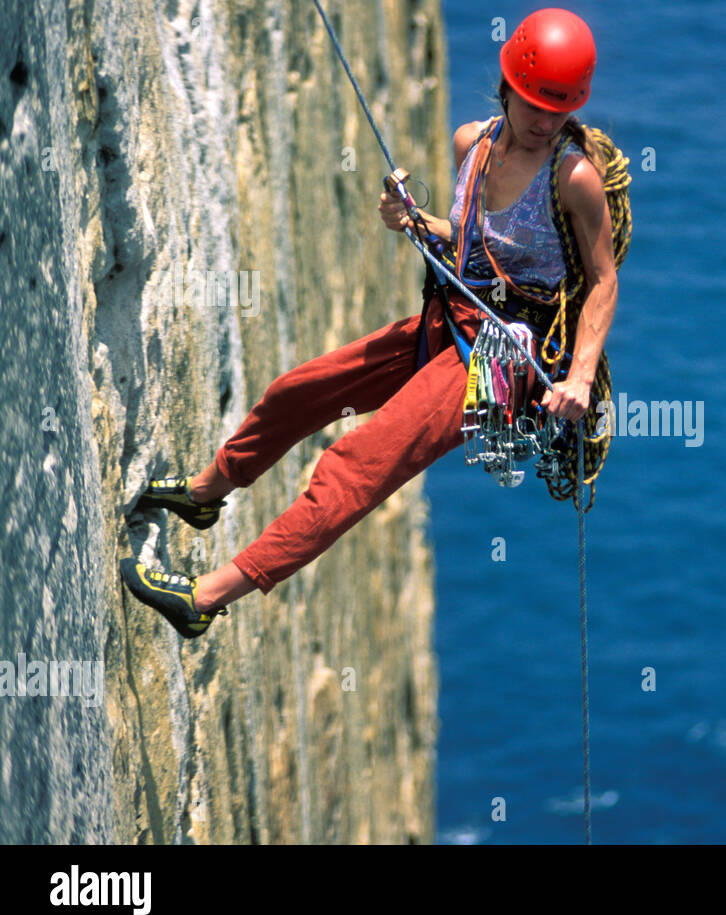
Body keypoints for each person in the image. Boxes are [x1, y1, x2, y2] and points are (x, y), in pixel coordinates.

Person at [121, 8, 618, 638]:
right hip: (454, 319)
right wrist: (412, 220)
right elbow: (472, 243)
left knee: (353, 466)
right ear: (508, 87)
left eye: (558, 110)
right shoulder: (473, 143)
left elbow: (602, 280)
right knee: (300, 391)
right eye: (533, 104)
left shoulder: (573, 178)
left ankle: (206, 597)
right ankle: (203, 493)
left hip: (506, 360)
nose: (545, 121)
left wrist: (577, 378)